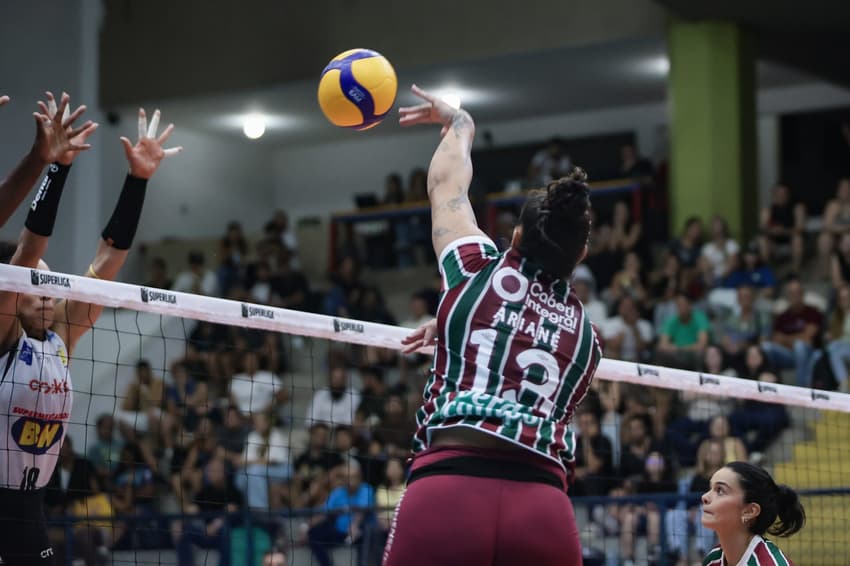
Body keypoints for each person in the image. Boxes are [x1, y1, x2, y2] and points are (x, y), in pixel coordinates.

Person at [384, 85, 602, 566]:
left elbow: (446, 185)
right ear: (580, 255)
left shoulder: (474, 268)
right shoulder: (587, 340)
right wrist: (451, 319)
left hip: (448, 491)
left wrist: (460, 123)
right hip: (543, 507)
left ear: (517, 234)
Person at [0, 100, 179, 563]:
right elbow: (27, 249)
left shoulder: (63, 335)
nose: (44, 292)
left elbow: (107, 261)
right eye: (34, 283)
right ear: (16, 292)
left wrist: (138, 181)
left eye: (50, 283)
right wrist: (57, 168)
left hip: (29, 508)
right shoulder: (3, 334)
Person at [701, 462, 804, 565]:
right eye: (710, 488)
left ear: (749, 511)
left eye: (720, 490)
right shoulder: (713, 560)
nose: (704, 497)